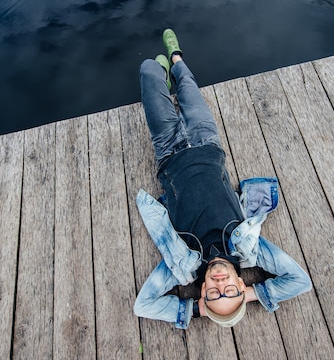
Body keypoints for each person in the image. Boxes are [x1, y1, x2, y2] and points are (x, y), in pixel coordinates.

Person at [133, 29, 312, 329]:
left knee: (148, 70)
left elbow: (144, 305)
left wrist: (194, 311)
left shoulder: (181, 267)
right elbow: (300, 281)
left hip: (168, 151)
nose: (220, 285)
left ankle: (162, 71)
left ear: (203, 293)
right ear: (240, 286)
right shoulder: (248, 250)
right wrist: (255, 294)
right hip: (207, 142)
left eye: (214, 294)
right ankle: (176, 56)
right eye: (230, 291)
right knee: (188, 84)